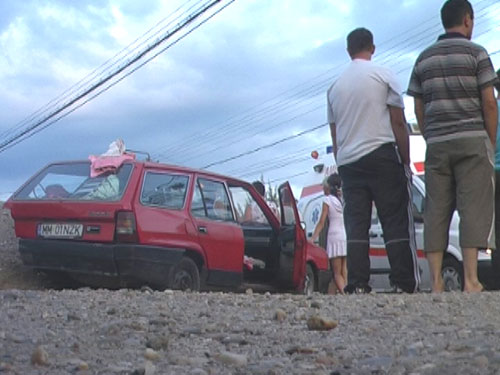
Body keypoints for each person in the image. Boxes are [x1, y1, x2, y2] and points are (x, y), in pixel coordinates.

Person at [407, 0, 498, 293]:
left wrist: (430, 134)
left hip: (438, 143)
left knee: (436, 209)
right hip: (472, 138)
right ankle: (471, 280)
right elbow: (489, 102)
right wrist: (489, 139)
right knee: (472, 207)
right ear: (468, 20)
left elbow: (418, 106)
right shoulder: (478, 54)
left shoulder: (423, 59)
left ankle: (435, 282)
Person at [327, 27, 420, 294]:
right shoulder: (384, 75)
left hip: (348, 161)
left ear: (348, 51)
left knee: (356, 223)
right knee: (394, 219)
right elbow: (398, 122)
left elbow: (335, 136)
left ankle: (357, 283)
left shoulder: (334, 88)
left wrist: (343, 162)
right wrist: (405, 160)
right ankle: (403, 282)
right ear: (373, 48)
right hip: (382, 154)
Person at [310, 174, 347, 294]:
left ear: (329, 187)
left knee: (336, 272)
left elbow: (321, 221)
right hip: (344, 235)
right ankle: (346, 290)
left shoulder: (327, 200)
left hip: (334, 236)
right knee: (344, 269)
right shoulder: (342, 200)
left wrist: (313, 238)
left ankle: (345, 293)